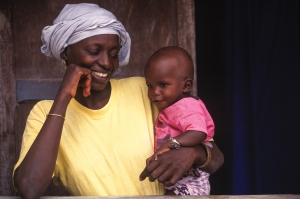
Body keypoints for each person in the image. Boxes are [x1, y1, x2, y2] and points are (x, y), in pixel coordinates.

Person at [13, 3, 224, 198]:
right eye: (94, 51)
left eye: (113, 53)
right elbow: (29, 188)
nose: (106, 63)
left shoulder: (147, 91)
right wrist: (62, 98)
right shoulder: (45, 114)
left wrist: (193, 153)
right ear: (66, 53)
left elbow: (216, 158)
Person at [143, 46, 214, 195]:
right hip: (179, 175)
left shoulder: (187, 106)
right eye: (150, 86)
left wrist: (171, 143)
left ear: (186, 86)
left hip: (191, 179)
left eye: (163, 85)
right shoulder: (173, 107)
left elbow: (198, 131)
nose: (154, 92)